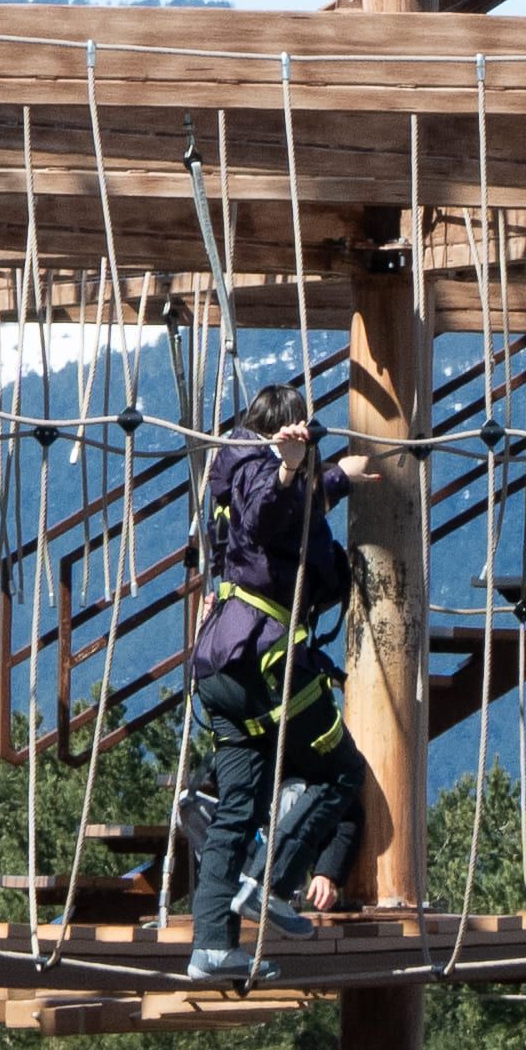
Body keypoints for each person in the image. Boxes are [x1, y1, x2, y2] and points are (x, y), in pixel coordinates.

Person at [176, 380, 352, 981]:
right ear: (286, 430)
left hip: (218, 668)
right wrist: (291, 469)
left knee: (237, 807)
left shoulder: (228, 470)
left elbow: (269, 525)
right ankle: (269, 880)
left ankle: (210, 948)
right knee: (339, 770)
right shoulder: (265, 471)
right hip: (265, 661)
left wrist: (333, 479)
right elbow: (271, 510)